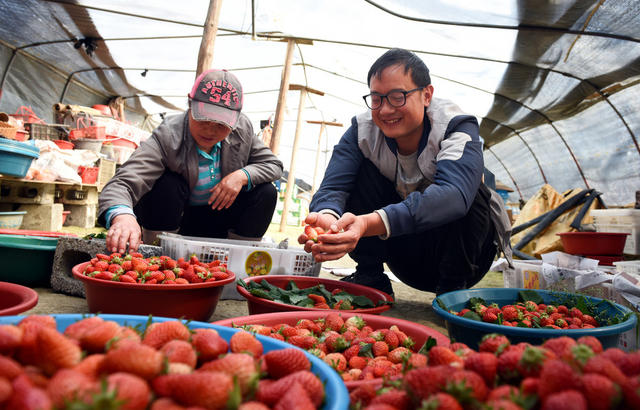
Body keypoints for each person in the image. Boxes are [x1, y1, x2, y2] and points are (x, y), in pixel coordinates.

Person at [299, 48, 512, 296]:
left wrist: (368, 222)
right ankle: (370, 276)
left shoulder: (456, 127)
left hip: (466, 259)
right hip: (403, 256)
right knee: (360, 173)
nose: (386, 110)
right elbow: (334, 187)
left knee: (468, 189)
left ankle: (452, 291)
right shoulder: (362, 132)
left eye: (397, 96)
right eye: (377, 98)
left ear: (426, 95)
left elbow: (454, 196)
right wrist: (330, 221)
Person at [99, 69, 283, 254]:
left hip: (220, 223)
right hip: (176, 221)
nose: (210, 130)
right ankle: (159, 253)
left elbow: (273, 166)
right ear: (190, 103)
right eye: (203, 119)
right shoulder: (169, 135)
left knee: (266, 192)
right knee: (167, 184)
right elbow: (123, 182)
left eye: (221, 124)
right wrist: (123, 216)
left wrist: (242, 175)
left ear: (235, 118)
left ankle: (237, 256)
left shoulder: (242, 130)